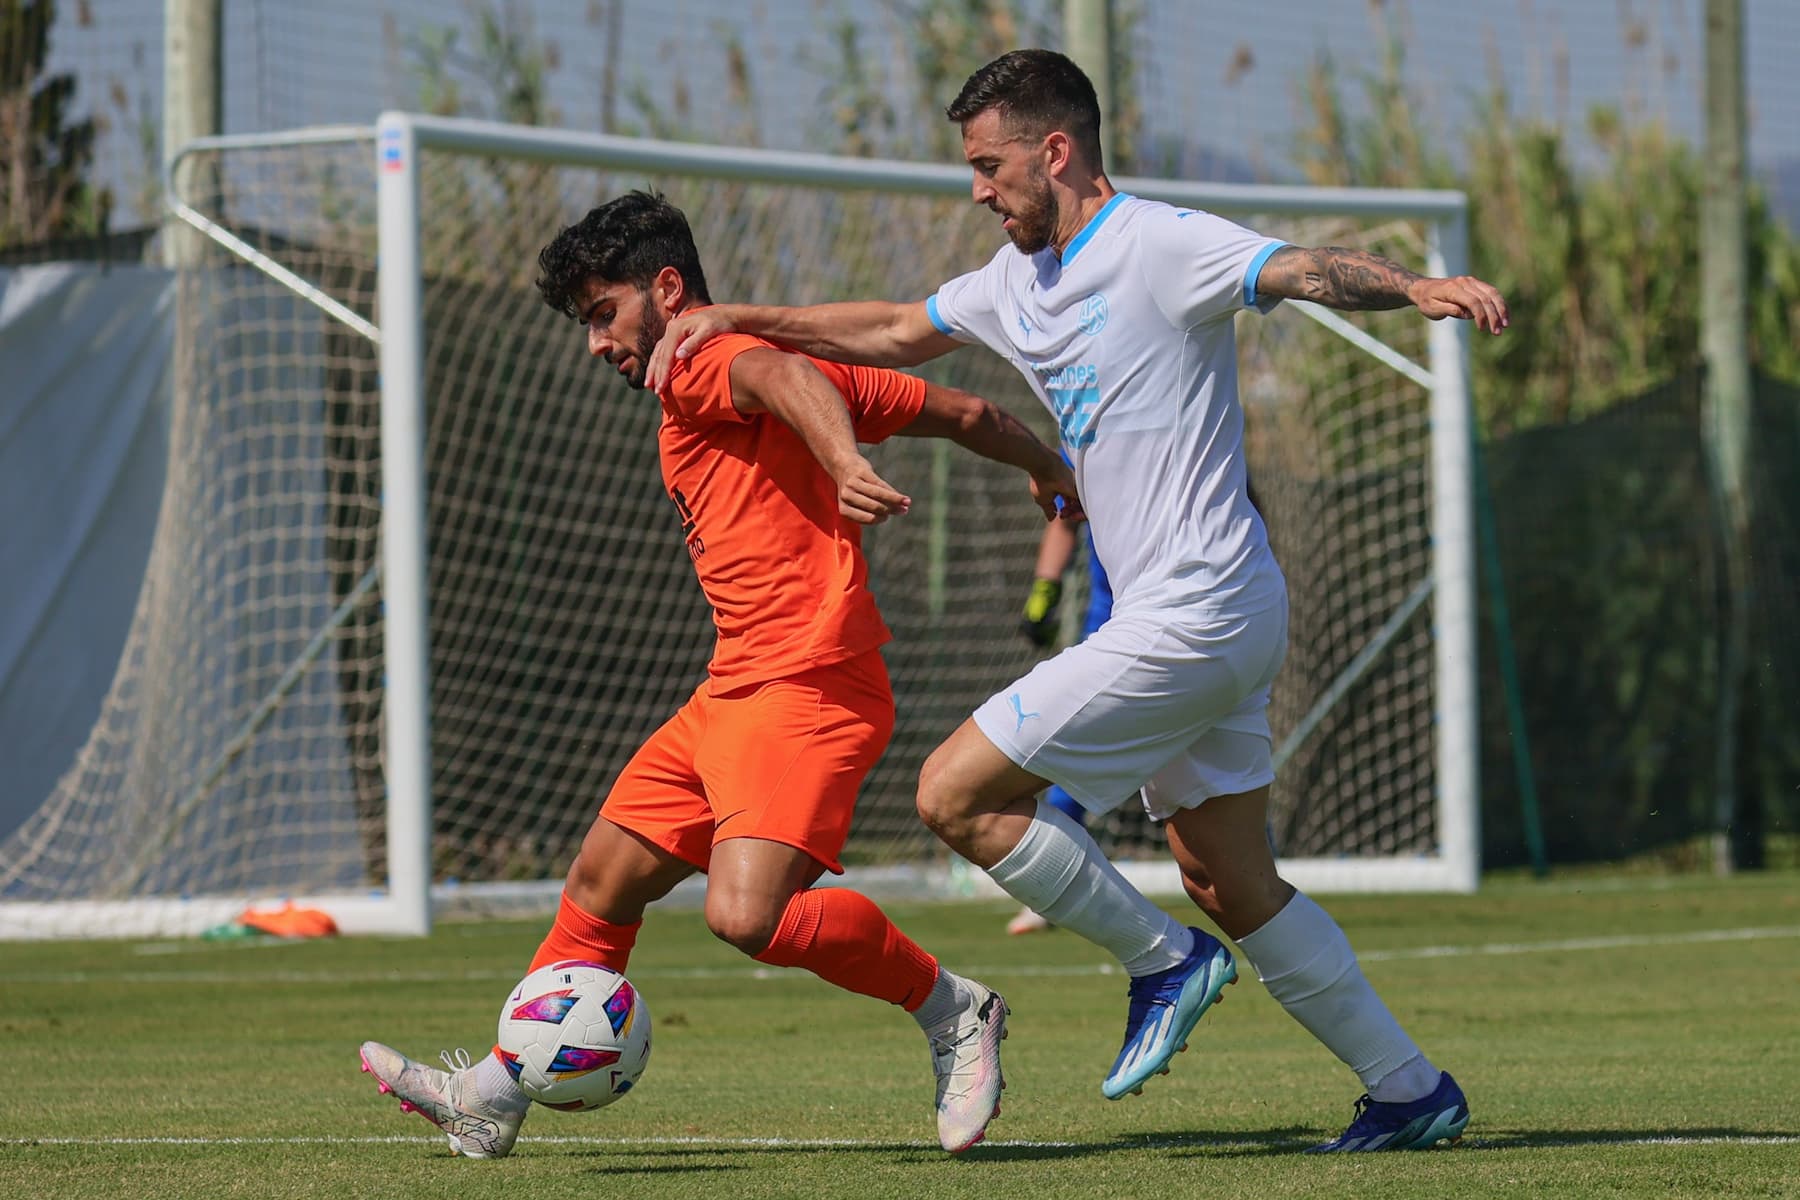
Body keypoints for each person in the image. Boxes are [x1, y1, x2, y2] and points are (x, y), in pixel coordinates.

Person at [645, 49, 1509, 1153]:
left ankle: (1164, 964)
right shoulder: (1015, 283)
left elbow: (1300, 268)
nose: (977, 190)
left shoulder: (1158, 242)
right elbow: (896, 330)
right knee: (1226, 878)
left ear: (1054, 151)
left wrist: (1413, 288)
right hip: (1208, 612)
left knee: (955, 792)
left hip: (1197, 606)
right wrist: (739, 319)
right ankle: (1409, 1089)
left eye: (988, 165)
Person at [359, 190, 1084, 1159]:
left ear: (668, 290)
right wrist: (1048, 468)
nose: (596, 343)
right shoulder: (757, 376)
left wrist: (841, 460)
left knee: (747, 917)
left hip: (808, 686)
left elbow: (777, 372)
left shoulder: (703, 359)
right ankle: (493, 1094)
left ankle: (954, 1009)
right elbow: (965, 412)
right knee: (603, 880)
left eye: (603, 313)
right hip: (735, 688)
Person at [1008, 512, 1113, 936]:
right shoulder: (1085, 464)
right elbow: (1064, 516)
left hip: (1190, 623)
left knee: (1215, 763)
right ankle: (1049, 883)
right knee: (1074, 748)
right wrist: (1044, 591)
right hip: (1110, 633)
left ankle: (1257, 877)